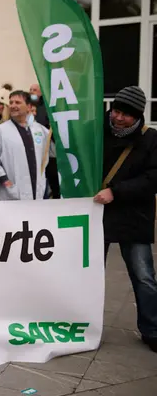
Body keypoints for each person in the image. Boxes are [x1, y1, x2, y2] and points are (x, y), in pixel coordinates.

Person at [94, 86, 157, 353]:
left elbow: (152, 179)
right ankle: (87, 327)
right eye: (116, 111)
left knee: (144, 277)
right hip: (99, 215)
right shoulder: (98, 132)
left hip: (134, 217)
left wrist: (116, 192)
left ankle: (152, 330)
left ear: (138, 116)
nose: (118, 118)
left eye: (126, 115)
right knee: (91, 275)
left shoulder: (151, 139)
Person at [0, 90, 50, 201]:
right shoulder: (0, 131)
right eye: (11, 102)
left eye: (17, 102)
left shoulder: (41, 131)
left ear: (29, 107)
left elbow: (47, 158)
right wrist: (6, 183)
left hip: (38, 192)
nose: (13, 106)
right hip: (10, 194)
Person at [29, 83, 59, 199]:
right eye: (30, 89)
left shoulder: (46, 107)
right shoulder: (28, 104)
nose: (32, 92)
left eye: (35, 90)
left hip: (48, 149)